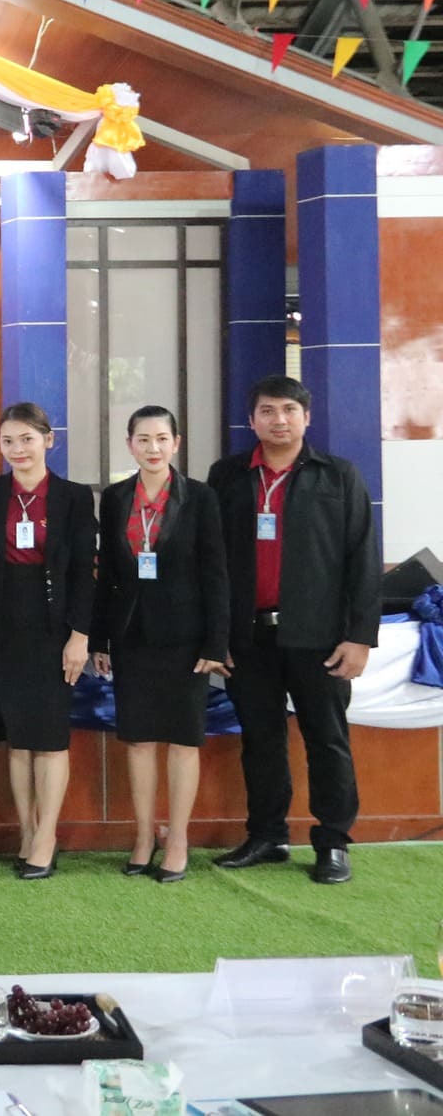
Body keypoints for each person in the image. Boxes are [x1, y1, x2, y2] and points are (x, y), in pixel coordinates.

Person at [207, 376, 379, 885]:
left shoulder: (338, 476)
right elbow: (211, 563)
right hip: (248, 638)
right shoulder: (227, 476)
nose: (278, 420)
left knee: (327, 739)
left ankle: (333, 842)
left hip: (319, 638)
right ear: (251, 419)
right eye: (267, 411)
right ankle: (267, 836)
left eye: (288, 410)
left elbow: (362, 560)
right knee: (260, 741)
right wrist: (217, 637)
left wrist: (359, 637)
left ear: (307, 417)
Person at [90, 406, 229, 884]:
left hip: (187, 639)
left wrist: (216, 642)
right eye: (143, 439)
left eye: (162, 439)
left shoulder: (200, 497)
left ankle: (179, 840)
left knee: (183, 741)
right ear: (129, 444)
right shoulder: (115, 498)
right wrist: (101, 638)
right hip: (132, 636)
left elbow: (216, 573)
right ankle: (144, 837)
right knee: (139, 741)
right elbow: (108, 574)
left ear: (176, 443)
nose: (153, 448)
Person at [0, 402, 97, 880]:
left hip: (54, 630)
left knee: (47, 738)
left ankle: (47, 836)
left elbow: (85, 573)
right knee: (18, 740)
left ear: (49, 440)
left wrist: (80, 635)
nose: (18, 449)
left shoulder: (72, 497)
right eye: (8, 441)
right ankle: (27, 832)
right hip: (2, 628)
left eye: (27, 439)